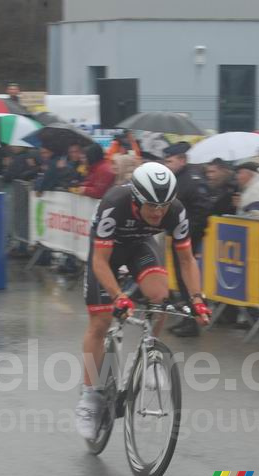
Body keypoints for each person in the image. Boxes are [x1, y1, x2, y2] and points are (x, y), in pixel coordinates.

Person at [75, 162, 211, 439]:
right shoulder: (115, 203)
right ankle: (89, 399)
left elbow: (186, 259)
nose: (159, 212)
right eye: (152, 206)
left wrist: (197, 299)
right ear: (136, 199)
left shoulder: (175, 211)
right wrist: (119, 296)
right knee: (100, 321)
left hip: (140, 246)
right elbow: (99, 261)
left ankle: (150, 358)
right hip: (107, 254)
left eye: (164, 206)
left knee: (161, 296)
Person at [163, 141, 213, 337]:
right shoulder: (176, 178)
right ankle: (187, 318)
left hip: (188, 237)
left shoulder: (192, 180)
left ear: (182, 160)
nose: (166, 164)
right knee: (180, 279)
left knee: (188, 279)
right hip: (178, 235)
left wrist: (188, 232)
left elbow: (202, 210)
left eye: (170, 160)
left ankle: (193, 321)